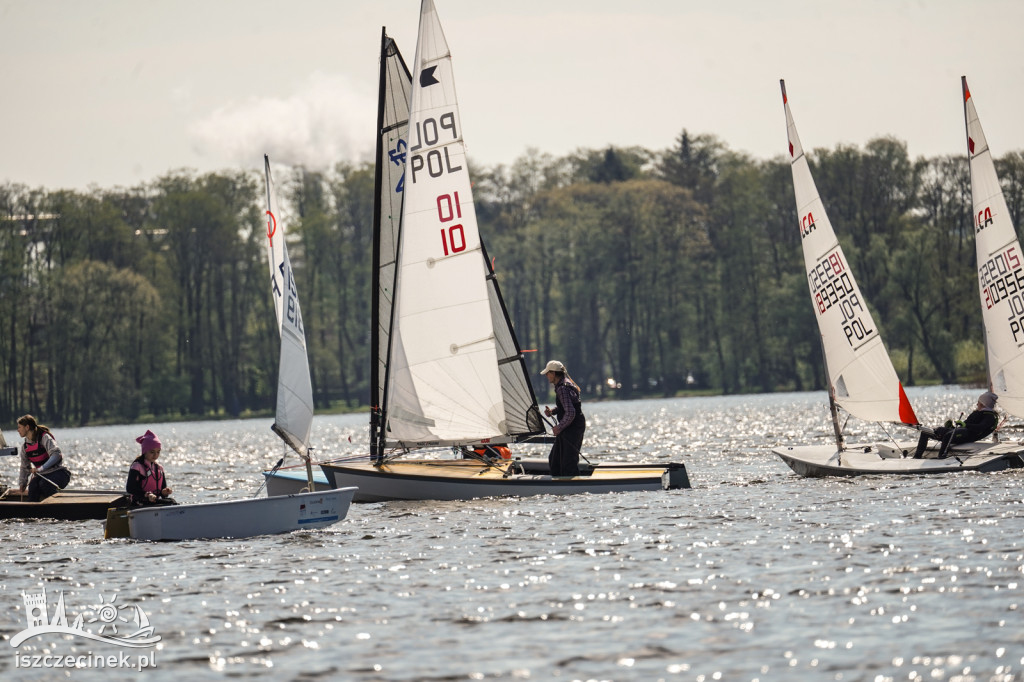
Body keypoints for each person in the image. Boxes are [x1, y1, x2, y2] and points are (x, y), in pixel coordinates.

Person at [913, 391, 1000, 458]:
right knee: (927, 432)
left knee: (948, 435)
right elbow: (964, 425)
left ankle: (941, 456)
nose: (977, 404)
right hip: (962, 432)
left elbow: (980, 428)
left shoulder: (990, 417)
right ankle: (917, 457)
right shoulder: (979, 413)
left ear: (983, 404)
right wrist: (951, 427)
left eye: (979, 402)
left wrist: (965, 425)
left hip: (968, 436)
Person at [541, 360, 586, 477]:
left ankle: (573, 489)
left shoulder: (562, 388)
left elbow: (571, 412)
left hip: (573, 428)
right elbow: (567, 406)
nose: (546, 376)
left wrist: (559, 427)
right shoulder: (564, 384)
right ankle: (558, 487)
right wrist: (553, 411)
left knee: (568, 463)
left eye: (547, 373)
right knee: (554, 459)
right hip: (570, 427)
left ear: (553, 373)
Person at [15, 414, 72, 502]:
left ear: (27, 427)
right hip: (44, 475)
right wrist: (22, 482)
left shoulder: (44, 438)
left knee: (44, 484)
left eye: (19, 427)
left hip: (60, 474)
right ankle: (33, 513)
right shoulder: (25, 447)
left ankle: (58, 508)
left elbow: (56, 454)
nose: (18, 430)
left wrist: (41, 468)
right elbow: (24, 467)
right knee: (33, 486)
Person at [126, 430, 176, 506]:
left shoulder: (160, 468)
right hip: (139, 502)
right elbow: (130, 488)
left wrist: (165, 492)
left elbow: (162, 493)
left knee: (171, 501)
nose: (155, 455)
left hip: (153, 502)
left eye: (158, 452)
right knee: (170, 502)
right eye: (152, 452)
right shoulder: (137, 466)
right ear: (144, 451)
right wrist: (147, 495)